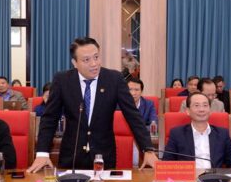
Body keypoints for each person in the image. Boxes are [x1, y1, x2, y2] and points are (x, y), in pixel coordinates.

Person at [28, 37, 156, 172]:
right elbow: (50, 118)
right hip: (71, 156)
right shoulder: (62, 80)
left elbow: (133, 116)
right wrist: (42, 153)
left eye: (96, 57)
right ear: (75, 63)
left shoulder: (114, 79)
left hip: (103, 157)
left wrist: (148, 149)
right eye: (86, 60)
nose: (94, 64)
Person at [162, 93, 231, 168]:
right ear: (188, 111)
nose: (201, 110)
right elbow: (167, 164)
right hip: (189, 176)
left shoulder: (222, 134)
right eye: (196, 105)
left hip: (215, 176)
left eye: (205, 105)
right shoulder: (177, 134)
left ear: (210, 110)